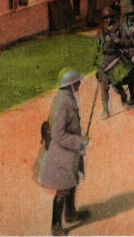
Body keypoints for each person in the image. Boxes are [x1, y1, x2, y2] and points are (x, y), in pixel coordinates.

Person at [37, 69, 91, 235]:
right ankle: (55, 227)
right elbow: (58, 135)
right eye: (76, 82)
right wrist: (79, 141)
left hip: (69, 153)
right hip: (62, 154)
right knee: (62, 189)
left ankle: (70, 213)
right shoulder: (63, 104)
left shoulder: (66, 98)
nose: (79, 84)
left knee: (71, 181)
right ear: (70, 85)